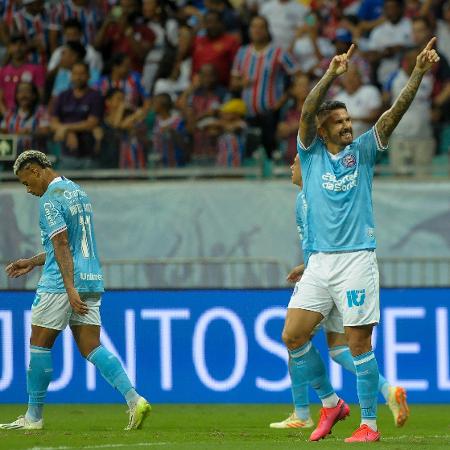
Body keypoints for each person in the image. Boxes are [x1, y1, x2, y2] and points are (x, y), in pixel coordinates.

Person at [286, 38, 439, 442]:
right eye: (339, 122)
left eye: (349, 120)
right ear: (322, 130)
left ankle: (369, 423)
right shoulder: (311, 155)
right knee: (293, 335)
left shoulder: (365, 151)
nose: (348, 125)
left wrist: (419, 74)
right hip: (320, 262)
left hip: (356, 259)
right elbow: (305, 111)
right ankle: (330, 403)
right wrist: (330, 74)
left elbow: (393, 115)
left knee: (356, 343)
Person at [0, 150, 151, 431]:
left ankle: (33, 418)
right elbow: (69, 244)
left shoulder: (49, 200)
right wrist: (32, 262)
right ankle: (135, 400)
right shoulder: (77, 192)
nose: (28, 190)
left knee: (39, 343)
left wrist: (69, 289)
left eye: (25, 183)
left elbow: (61, 246)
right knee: (91, 346)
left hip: (61, 283)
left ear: (35, 170)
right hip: (91, 277)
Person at [269, 154, 409, 430]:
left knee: (296, 339)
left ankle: (305, 411)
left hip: (327, 275)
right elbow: (315, 243)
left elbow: (315, 241)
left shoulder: (310, 199)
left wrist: (310, 269)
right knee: (338, 348)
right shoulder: (306, 199)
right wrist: (306, 264)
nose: (292, 166)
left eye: (296, 161)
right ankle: (386, 390)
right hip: (328, 270)